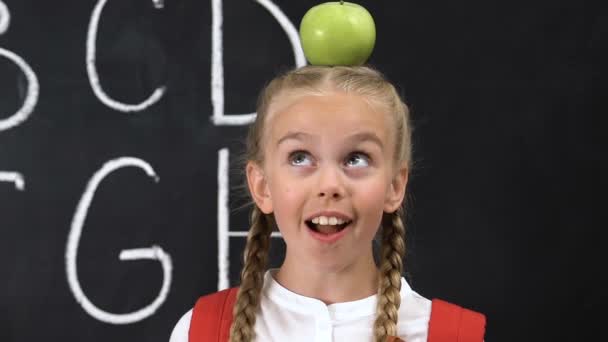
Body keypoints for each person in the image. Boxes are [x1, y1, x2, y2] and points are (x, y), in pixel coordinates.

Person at [169, 65, 485, 342]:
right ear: (262, 185)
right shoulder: (198, 332)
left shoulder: (447, 334)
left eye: (356, 158)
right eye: (300, 157)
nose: (330, 185)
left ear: (394, 186)